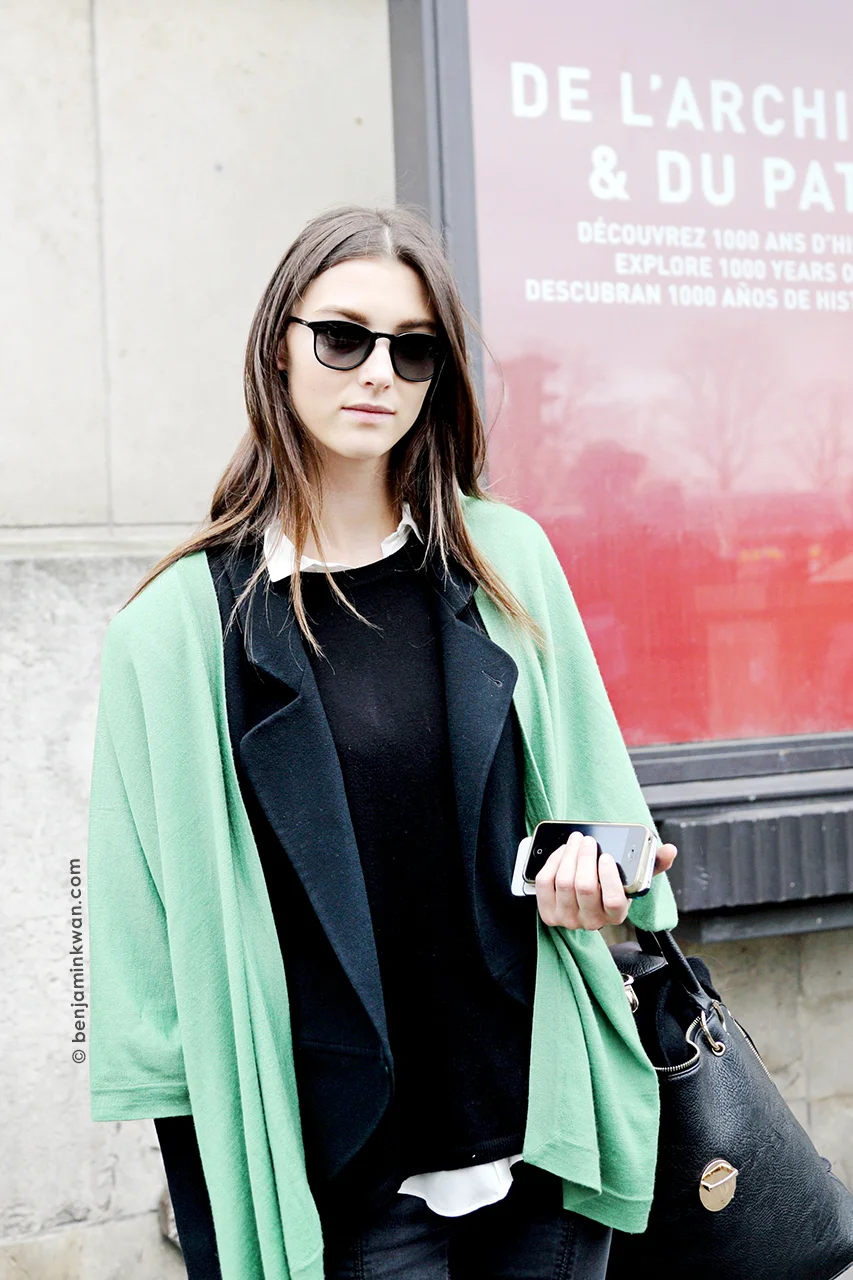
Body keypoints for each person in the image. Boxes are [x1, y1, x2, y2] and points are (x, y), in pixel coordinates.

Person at [86, 205, 679, 1280]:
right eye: (342, 336)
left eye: (413, 349)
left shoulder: (504, 560)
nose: (377, 373)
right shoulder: (176, 630)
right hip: (342, 1168)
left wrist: (601, 883)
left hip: (535, 1123)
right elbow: (137, 952)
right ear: (278, 346)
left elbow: (598, 814)